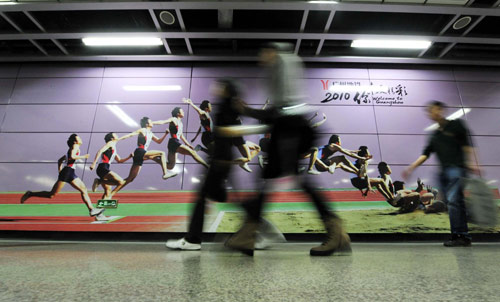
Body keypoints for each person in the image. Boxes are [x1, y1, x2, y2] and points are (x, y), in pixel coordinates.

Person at [225, 42, 351, 256]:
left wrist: (247, 110)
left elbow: (281, 108)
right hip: (287, 127)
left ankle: (335, 231)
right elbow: (278, 109)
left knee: (291, 181)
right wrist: (249, 111)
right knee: (272, 181)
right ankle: (248, 234)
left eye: (263, 52)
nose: (260, 58)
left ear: (271, 51)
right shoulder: (283, 65)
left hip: (290, 128)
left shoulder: (283, 62)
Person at [166, 79, 283, 250]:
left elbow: (231, 132)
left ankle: (193, 240)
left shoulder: (227, 108)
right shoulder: (226, 106)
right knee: (232, 200)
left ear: (227, 90)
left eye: (220, 86)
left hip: (220, 162)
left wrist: (245, 137)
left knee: (204, 198)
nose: (216, 88)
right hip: (221, 161)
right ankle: (264, 229)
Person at [403, 100, 479, 247]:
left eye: (435, 109)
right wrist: (411, 167)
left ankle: (460, 235)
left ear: (442, 110)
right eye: (430, 111)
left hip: (456, 168)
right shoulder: (434, 134)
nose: (433, 113)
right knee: (451, 202)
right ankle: (461, 233)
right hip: (443, 172)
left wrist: (473, 162)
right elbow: (426, 153)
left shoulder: (456, 125)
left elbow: (467, 145)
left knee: (454, 201)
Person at [20, 134, 107, 221]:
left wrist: (60, 171)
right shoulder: (75, 146)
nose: (80, 138)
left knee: (83, 189)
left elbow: (60, 160)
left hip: (69, 172)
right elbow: (72, 157)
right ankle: (30, 194)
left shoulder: (72, 148)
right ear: (75, 141)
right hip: (67, 172)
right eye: (78, 138)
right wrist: (83, 157)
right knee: (51, 195)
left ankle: (92, 210)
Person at [107, 117, 175, 197]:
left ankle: (110, 195)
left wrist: (165, 134)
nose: (152, 122)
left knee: (130, 179)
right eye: (151, 121)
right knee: (162, 153)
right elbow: (131, 134)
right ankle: (165, 173)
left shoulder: (150, 133)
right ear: (147, 124)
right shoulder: (143, 130)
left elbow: (159, 141)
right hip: (140, 151)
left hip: (140, 154)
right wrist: (118, 139)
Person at [155, 106, 209, 171]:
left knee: (170, 166)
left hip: (173, 143)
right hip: (173, 142)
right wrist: (153, 123)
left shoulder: (181, 123)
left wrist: (188, 145)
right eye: (182, 111)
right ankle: (207, 166)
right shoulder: (174, 119)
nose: (183, 112)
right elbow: (163, 121)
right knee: (193, 153)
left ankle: (154, 158)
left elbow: (181, 135)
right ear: (178, 114)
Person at [89, 132, 133, 200]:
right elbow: (100, 151)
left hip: (103, 168)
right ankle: (99, 181)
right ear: (112, 138)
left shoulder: (113, 148)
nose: (117, 135)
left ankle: (102, 206)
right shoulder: (110, 143)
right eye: (115, 135)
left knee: (107, 190)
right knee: (121, 182)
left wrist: (129, 157)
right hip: (103, 168)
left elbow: (119, 160)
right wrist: (94, 163)